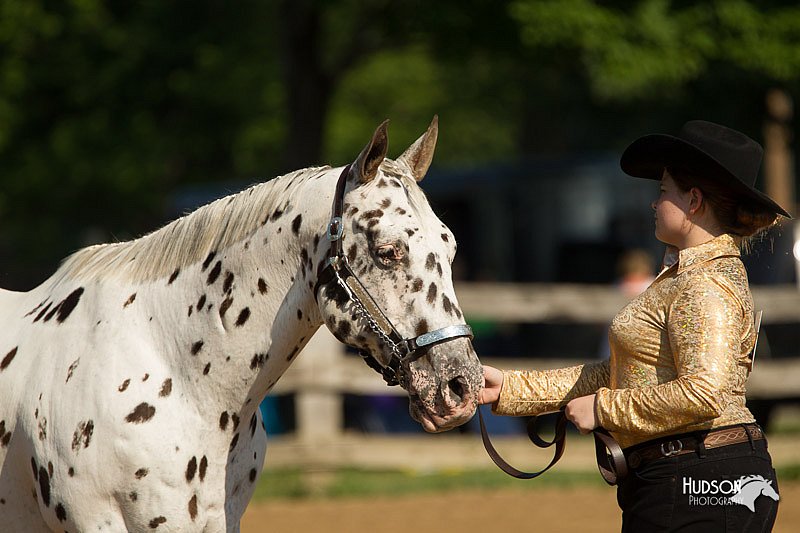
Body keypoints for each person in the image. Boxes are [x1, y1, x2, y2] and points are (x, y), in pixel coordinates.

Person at [479, 120, 790, 531]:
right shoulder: (686, 278)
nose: (654, 203)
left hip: (698, 479)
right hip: (687, 476)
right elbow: (623, 374)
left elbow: (705, 394)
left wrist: (604, 408)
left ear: (694, 201)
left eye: (663, 191)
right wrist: (512, 389)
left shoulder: (705, 284)